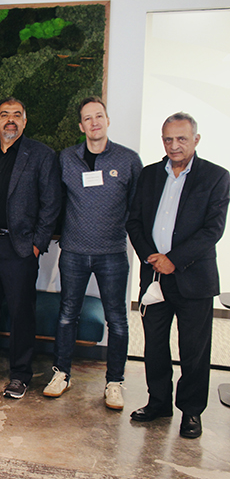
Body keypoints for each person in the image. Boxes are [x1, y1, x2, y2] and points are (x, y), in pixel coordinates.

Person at [126, 112, 229, 439]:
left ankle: (191, 412)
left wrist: (174, 260)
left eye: (181, 139)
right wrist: (151, 258)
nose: (174, 145)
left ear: (195, 140)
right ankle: (158, 403)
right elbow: (134, 222)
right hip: (154, 279)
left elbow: (212, 230)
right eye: (168, 139)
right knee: (154, 346)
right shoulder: (150, 175)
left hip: (193, 279)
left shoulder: (216, 177)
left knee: (193, 351)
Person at [43, 96, 142, 409]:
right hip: (73, 251)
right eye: (88, 118)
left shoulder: (128, 160)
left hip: (112, 253)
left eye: (99, 116)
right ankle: (62, 374)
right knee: (67, 315)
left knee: (118, 321)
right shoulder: (66, 158)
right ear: (81, 125)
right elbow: (54, 200)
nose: (94, 122)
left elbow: (138, 207)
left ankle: (114, 382)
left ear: (107, 120)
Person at [0, 97, 61, 399]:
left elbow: (51, 204)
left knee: (21, 313)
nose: (10, 120)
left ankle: (20, 374)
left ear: (24, 121)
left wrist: (37, 244)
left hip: (19, 247)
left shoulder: (41, 155)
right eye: (4, 115)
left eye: (16, 115)